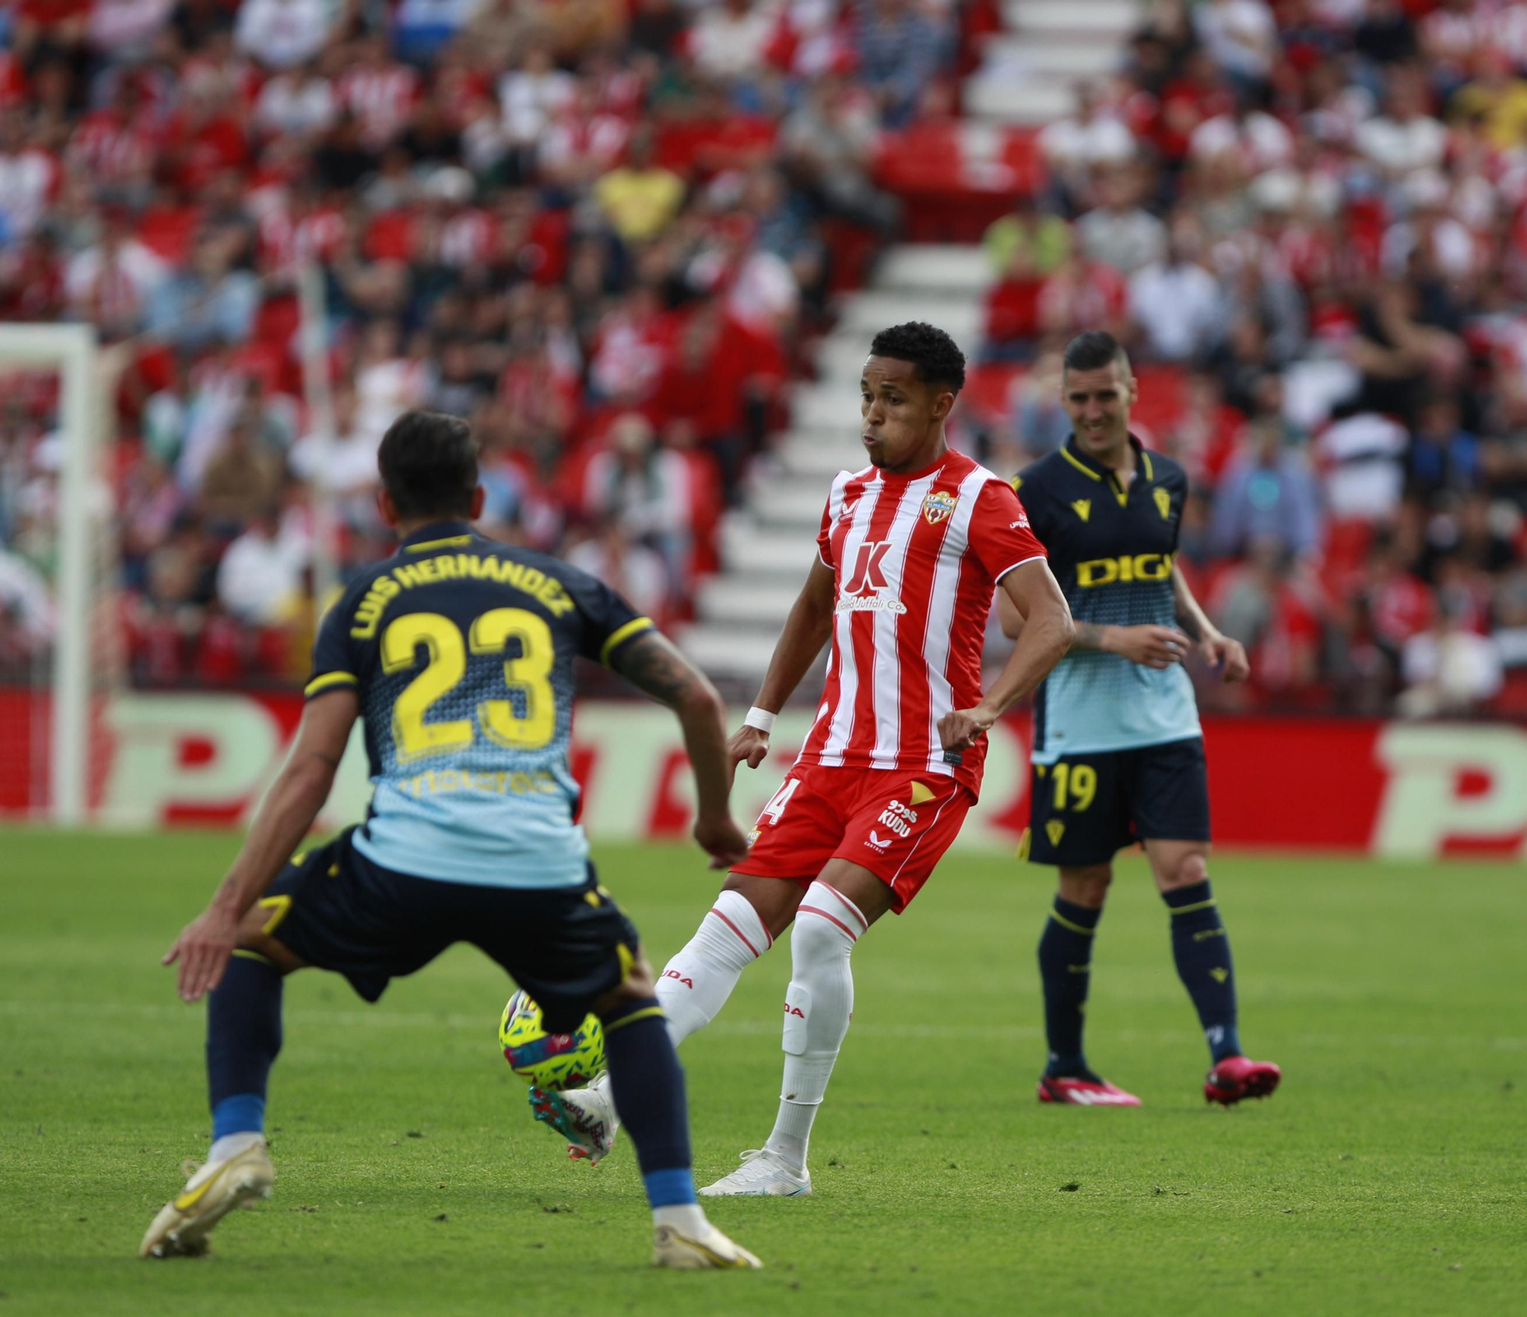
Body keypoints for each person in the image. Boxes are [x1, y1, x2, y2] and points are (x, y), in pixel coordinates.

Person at [141, 411, 762, 1270]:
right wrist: (714, 816)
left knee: (251, 939)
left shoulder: (363, 598)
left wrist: (222, 905)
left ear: (384, 502)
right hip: (537, 861)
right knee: (629, 998)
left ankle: (236, 1145)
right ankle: (680, 1220)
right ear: (478, 496)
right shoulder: (557, 583)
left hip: (403, 859)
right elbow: (695, 697)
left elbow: (314, 766)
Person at [531, 323, 1075, 1194]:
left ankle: (785, 1159)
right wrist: (757, 715)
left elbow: (1052, 618)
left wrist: (990, 704)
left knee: (820, 927)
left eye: (891, 399)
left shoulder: (982, 498)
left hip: (920, 765)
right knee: (724, 931)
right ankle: (603, 1099)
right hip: (829, 757)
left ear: (941, 404)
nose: (871, 414)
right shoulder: (848, 494)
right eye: (865, 395)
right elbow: (813, 605)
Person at [1003, 330, 1282, 1107]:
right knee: (1085, 887)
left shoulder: (1167, 478)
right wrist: (1107, 636)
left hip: (1166, 718)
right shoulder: (1034, 492)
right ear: (1065, 401)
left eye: (1107, 395)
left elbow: (1161, 568)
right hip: (1080, 724)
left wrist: (1206, 631)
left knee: (1184, 868)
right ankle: (1064, 1066)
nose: (1094, 410)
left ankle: (1227, 1056)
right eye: (1080, 398)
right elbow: (1008, 617)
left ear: (1131, 393)